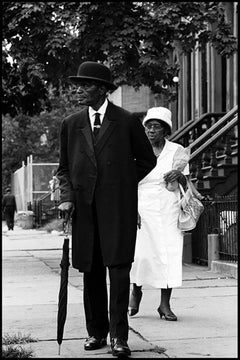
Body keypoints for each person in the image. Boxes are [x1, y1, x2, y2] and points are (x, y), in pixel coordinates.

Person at [57, 61, 156, 357]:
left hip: (118, 210)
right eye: (78, 86)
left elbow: (147, 160)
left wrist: (121, 185)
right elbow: (64, 168)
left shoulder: (125, 121)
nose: (79, 91)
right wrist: (67, 197)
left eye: (85, 86)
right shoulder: (71, 124)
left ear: (102, 89)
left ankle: (119, 338)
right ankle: (96, 333)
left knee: (119, 270)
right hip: (85, 211)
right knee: (91, 271)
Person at [129, 106, 189, 321]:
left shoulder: (177, 150)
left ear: (165, 130)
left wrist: (179, 175)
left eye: (156, 127)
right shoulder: (135, 149)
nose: (151, 131)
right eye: (148, 127)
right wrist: (131, 209)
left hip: (168, 206)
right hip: (142, 205)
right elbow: (127, 182)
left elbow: (186, 182)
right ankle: (136, 290)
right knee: (140, 254)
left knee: (169, 254)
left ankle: (165, 304)